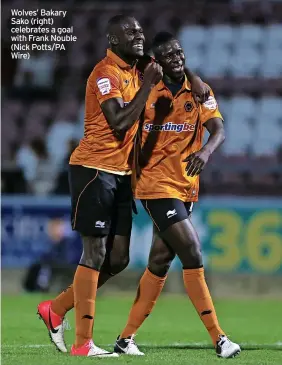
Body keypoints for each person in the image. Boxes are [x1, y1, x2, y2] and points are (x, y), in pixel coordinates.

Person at [37, 16, 209, 357]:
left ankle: (55, 308)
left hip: (121, 175)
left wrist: (193, 77)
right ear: (113, 40)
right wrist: (147, 85)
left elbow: (175, 63)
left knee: (118, 259)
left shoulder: (139, 67)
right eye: (130, 32)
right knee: (95, 252)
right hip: (93, 169)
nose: (139, 35)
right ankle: (82, 343)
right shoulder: (106, 73)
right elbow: (118, 121)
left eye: (140, 30)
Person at [113, 32, 241, 359]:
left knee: (159, 261)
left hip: (185, 187)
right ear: (157, 61)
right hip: (154, 186)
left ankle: (125, 339)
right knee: (193, 253)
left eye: (179, 52)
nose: (177, 58)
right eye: (169, 55)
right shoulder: (145, 91)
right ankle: (220, 339)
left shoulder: (199, 91)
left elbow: (219, 130)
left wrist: (207, 152)